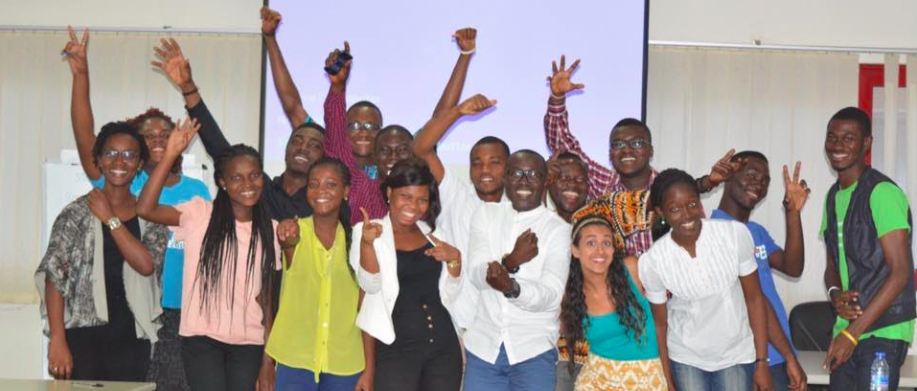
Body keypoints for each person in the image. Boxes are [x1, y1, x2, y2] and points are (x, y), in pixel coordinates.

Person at [63, 27, 211, 390]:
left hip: (183, 312)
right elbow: (85, 136)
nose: (159, 139)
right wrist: (81, 75)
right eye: (149, 135)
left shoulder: (198, 190)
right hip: (137, 312)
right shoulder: (123, 184)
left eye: (166, 133)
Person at [136, 120, 281, 391]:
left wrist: (268, 361)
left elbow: (270, 301)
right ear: (222, 182)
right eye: (236, 178)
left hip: (250, 344)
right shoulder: (200, 214)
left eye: (254, 175)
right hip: (201, 340)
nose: (247, 184)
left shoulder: (271, 231)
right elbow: (145, 208)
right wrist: (170, 154)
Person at [36, 122, 168, 381]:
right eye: (110, 153)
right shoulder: (75, 214)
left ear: (140, 163)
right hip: (82, 336)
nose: (120, 160)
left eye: (129, 155)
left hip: (132, 336)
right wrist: (58, 341)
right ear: (98, 160)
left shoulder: (151, 216)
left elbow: (146, 265)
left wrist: (111, 219)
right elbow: (55, 277)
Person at [152, 36, 322, 221]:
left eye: (314, 145)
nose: (303, 147)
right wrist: (188, 87)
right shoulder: (259, 187)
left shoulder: (323, 201)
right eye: (297, 140)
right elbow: (218, 145)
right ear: (286, 148)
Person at [638, 168, 773, 391]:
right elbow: (660, 325)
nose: (687, 215)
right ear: (662, 212)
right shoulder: (653, 261)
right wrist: (666, 378)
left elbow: (755, 300)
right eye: (674, 209)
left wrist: (761, 362)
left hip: (736, 354)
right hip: (686, 357)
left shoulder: (733, 235)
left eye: (692, 204)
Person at [820, 107, 916, 390]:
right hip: (847, 329)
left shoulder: (882, 193)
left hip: (883, 331)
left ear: (866, 143)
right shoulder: (832, 196)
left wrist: (852, 335)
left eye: (849, 138)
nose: (838, 145)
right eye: (832, 137)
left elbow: (900, 274)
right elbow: (832, 266)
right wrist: (834, 294)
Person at [351, 158, 464, 391]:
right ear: (390, 193)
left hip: (443, 348)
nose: (413, 206)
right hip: (395, 349)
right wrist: (367, 245)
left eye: (422, 199)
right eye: (406, 196)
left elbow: (450, 294)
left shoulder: (434, 234)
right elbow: (370, 287)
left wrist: (455, 260)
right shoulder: (368, 231)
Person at [463, 150, 572, 391]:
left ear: (546, 181)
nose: (524, 180)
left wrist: (512, 288)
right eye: (516, 173)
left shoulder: (557, 229)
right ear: (505, 178)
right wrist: (511, 261)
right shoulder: (485, 214)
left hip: (532, 351)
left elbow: (551, 296)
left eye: (533, 173)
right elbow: (475, 274)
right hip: (484, 349)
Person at [266, 157, 375, 391]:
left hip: (344, 363)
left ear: (345, 191)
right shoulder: (294, 230)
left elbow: (366, 310)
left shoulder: (358, 240)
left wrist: (370, 370)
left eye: (330, 184)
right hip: (295, 359)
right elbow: (288, 241)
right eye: (314, 184)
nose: (320, 191)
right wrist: (286, 234)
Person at [712, 151, 810, 390]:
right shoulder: (714, 232)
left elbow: (792, 267)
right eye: (751, 175)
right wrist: (763, 362)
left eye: (765, 180)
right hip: (752, 361)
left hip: (777, 354)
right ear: (729, 175)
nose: (758, 183)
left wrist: (793, 213)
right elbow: (752, 299)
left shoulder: (755, 230)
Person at [561, 205, 665, 390]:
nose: (600, 251)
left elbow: (662, 321)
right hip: (598, 377)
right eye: (591, 243)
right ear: (575, 250)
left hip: (647, 375)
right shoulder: (569, 294)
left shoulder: (632, 269)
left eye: (607, 243)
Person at [546, 152, 590, 223]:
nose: (572, 184)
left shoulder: (599, 217)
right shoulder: (533, 215)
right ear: (549, 181)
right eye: (564, 178)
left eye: (580, 179)